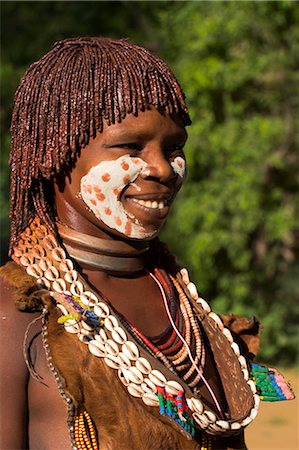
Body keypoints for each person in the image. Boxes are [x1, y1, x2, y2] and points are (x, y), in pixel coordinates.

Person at [0, 37, 294, 450]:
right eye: (130, 146)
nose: (163, 169)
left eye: (174, 148)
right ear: (54, 154)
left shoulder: (183, 305)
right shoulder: (15, 311)